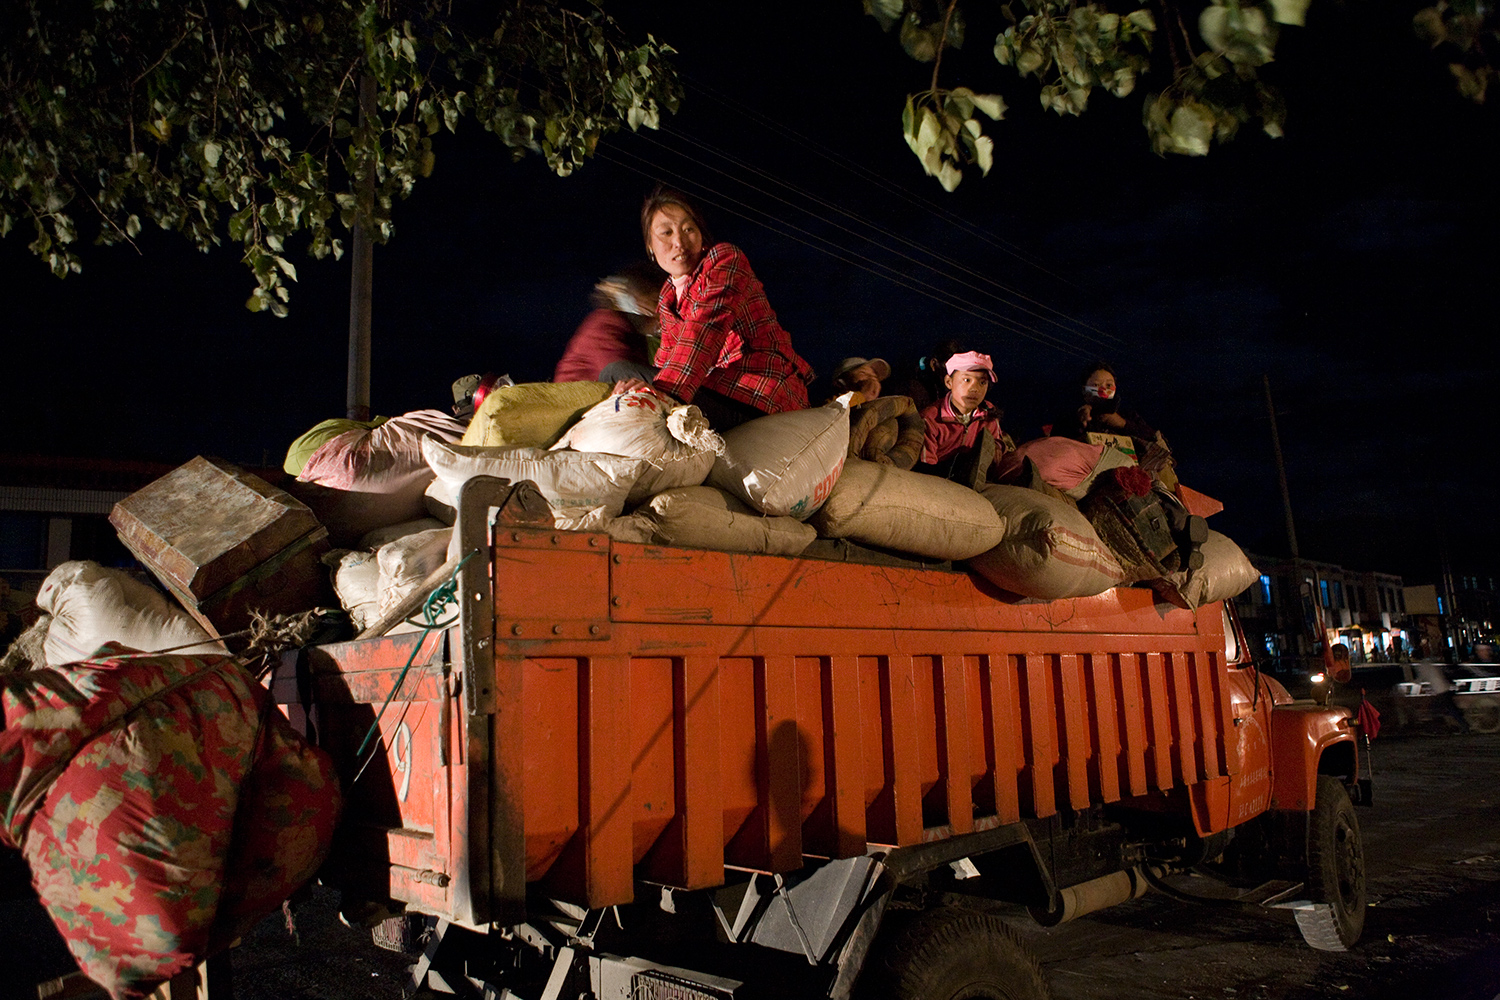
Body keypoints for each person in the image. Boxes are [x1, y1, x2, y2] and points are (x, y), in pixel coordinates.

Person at [601, 186, 814, 430]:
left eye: (688, 229)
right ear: (650, 246)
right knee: (616, 374)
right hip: (714, 393)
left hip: (759, 397)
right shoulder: (668, 298)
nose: (679, 242)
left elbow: (704, 330)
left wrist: (662, 392)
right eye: (666, 233)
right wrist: (645, 385)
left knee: (626, 376)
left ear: (701, 234)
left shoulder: (724, 261)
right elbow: (666, 360)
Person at [913, 351, 1012, 490]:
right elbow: (925, 465)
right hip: (936, 478)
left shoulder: (988, 413)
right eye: (967, 380)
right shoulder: (931, 418)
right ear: (949, 382)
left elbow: (996, 439)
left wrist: (996, 446)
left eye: (982, 382)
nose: (974, 389)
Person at [553, 262, 663, 383]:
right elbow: (621, 375)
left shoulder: (634, 334)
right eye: (655, 302)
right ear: (637, 300)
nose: (659, 312)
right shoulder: (605, 324)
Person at [1053, 362, 1157, 443]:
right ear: (1084, 390)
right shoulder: (1070, 417)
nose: (1103, 390)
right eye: (1096, 385)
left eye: (1108, 385)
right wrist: (1078, 422)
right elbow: (1056, 443)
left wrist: (1123, 424)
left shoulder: (1128, 416)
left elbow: (1152, 437)